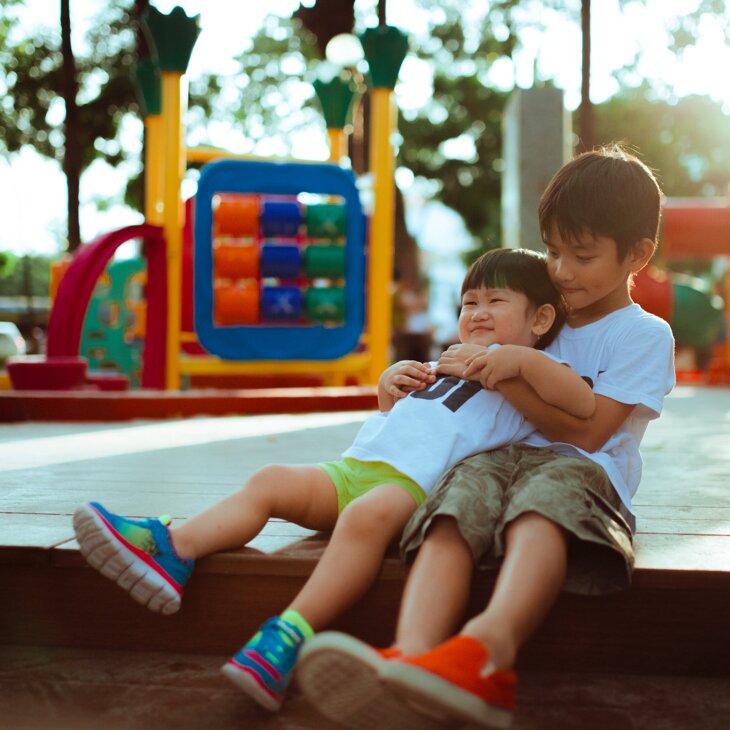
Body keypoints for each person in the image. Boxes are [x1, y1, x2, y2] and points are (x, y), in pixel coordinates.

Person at [72, 248, 594, 713]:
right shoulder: (449, 360)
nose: (477, 313)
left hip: (411, 488)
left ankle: (286, 637)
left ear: (541, 318)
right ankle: (174, 549)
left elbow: (580, 401)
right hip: (354, 469)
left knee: (364, 518)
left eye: (495, 302)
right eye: (468, 303)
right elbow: (412, 416)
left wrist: (514, 359)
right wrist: (390, 387)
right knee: (271, 479)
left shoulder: (530, 374)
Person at [296, 145, 676, 730]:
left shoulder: (643, 334)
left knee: (540, 509)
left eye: (583, 255)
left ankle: (485, 653)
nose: (563, 271)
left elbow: (595, 430)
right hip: (496, 457)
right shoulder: (541, 311)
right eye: (553, 251)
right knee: (451, 506)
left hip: (584, 471)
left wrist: (508, 366)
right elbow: (470, 391)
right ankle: (415, 657)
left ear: (638, 255)